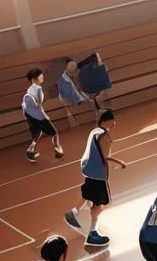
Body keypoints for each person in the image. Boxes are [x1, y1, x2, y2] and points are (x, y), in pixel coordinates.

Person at [64, 109, 125, 247]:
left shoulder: (94, 132)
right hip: (98, 173)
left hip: (89, 170)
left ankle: (73, 213)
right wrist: (120, 162)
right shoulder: (105, 135)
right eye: (112, 119)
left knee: (88, 194)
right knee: (99, 203)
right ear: (107, 120)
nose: (114, 122)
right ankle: (93, 233)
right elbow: (105, 156)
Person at [22, 68, 63, 162]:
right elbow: (39, 105)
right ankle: (58, 150)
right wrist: (45, 117)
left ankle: (30, 151)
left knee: (37, 133)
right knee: (55, 133)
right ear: (35, 78)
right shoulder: (38, 89)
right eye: (40, 75)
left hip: (30, 116)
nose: (42, 77)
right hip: (38, 116)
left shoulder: (29, 90)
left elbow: (26, 105)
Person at [57, 58, 95, 125]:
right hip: (76, 105)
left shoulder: (81, 73)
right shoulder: (62, 83)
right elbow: (70, 99)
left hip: (85, 102)